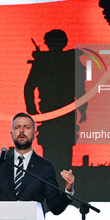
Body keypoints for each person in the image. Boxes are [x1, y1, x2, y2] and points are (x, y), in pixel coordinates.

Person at [0, 112, 75, 215]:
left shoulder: (45, 167)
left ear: (35, 134)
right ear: (11, 134)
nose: (21, 131)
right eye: (17, 127)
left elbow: (55, 207)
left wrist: (68, 190)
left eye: (26, 127)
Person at [24, 29, 87, 180]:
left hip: (57, 113)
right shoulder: (66, 60)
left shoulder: (45, 61)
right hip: (58, 113)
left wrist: (33, 111)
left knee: (55, 155)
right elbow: (81, 88)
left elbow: (28, 88)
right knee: (58, 156)